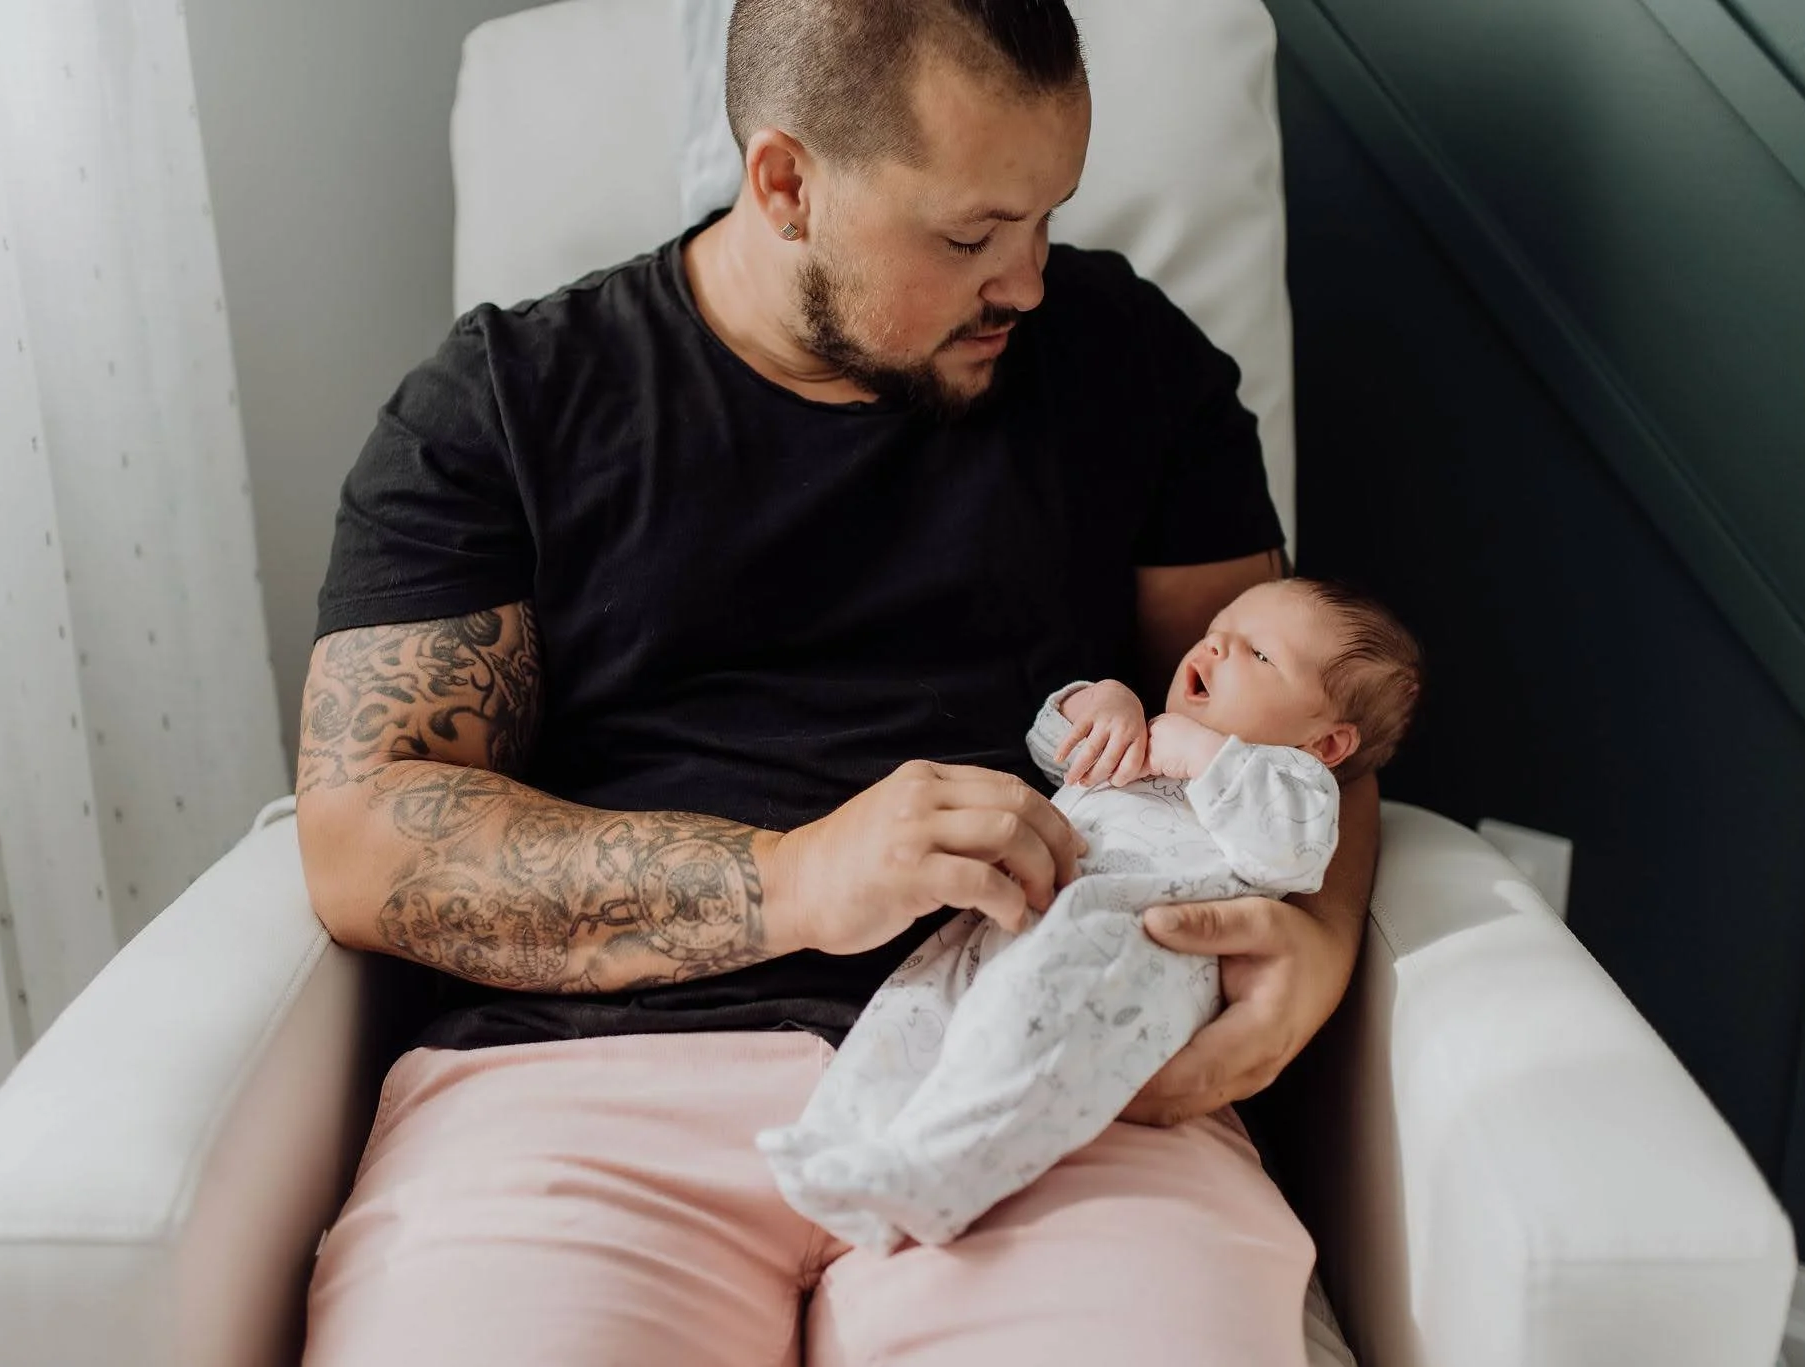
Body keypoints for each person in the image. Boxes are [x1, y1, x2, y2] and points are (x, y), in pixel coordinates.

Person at [293, 0, 1380, 1361]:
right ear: (786, 185)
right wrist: (794, 878)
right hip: (582, 1087)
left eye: (1046, 218)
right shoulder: (505, 404)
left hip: (1053, 1066)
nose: (1028, 283)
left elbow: (1296, 723)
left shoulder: (1128, 360)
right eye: (972, 237)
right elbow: (366, 835)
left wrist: (1320, 940)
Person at [761, 579, 1422, 1255]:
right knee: (917, 1007)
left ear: (1327, 744)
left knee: (1027, 1051)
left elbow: (1292, 852)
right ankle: (835, 1142)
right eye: (1218, 628)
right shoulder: (1146, 733)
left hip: (1128, 956)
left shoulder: (1293, 783)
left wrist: (1204, 756)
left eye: (1258, 654)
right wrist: (1101, 702)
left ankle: (934, 1174)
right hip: (1015, 919)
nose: (1217, 644)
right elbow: (1052, 741)